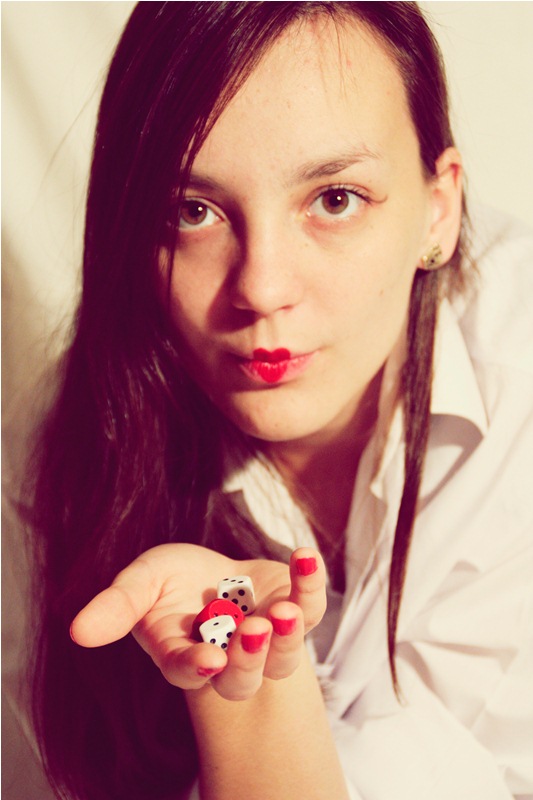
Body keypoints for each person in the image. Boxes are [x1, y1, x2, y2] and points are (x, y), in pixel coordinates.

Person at [22, 2, 532, 799]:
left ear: (439, 208)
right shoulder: (63, 456)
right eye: (192, 212)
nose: (260, 287)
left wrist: (253, 709)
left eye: (335, 199)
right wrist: (243, 696)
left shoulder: (517, 374)